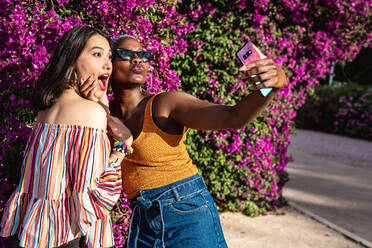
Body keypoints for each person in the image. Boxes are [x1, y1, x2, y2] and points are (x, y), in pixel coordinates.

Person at [81, 34, 287, 248]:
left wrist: (271, 87)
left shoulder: (166, 104)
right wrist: (99, 101)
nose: (137, 59)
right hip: (143, 218)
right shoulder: (101, 114)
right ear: (108, 63)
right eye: (125, 54)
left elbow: (233, 117)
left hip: (186, 211)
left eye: (143, 55)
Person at [0, 26, 133, 248]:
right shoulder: (91, 113)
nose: (108, 64)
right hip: (66, 236)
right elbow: (95, 196)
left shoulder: (47, 110)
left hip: (36, 231)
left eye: (109, 56)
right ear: (72, 58)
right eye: (97, 54)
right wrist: (123, 147)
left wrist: (103, 106)